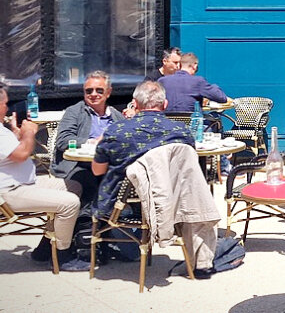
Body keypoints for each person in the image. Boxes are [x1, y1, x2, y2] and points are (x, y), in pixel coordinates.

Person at [91, 81, 218, 276]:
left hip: (124, 204)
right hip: (171, 203)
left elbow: (98, 171)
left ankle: (111, 249)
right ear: (165, 104)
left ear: (134, 103)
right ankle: (200, 261)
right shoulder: (182, 132)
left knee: (95, 190)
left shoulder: (117, 131)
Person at [0, 80, 87, 271]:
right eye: (5, 104)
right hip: (3, 195)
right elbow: (21, 154)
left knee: (74, 186)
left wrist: (17, 137)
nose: (6, 108)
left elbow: (4, 153)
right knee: (70, 203)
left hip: (13, 185)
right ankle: (62, 256)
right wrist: (29, 133)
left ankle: (44, 249)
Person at [53, 71, 123, 209]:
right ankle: (85, 227)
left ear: (108, 92)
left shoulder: (117, 116)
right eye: (89, 91)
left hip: (108, 165)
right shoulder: (74, 111)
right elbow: (63, 140)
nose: (93, 94)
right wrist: (91, 142)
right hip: (78, 165)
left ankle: (113, 222)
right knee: (87, 180)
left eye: (99, 90)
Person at [158, 52, 229, 113]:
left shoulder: (162, 81)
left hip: (168, 125)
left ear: (179, 65)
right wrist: (214, 86)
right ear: (194, 66)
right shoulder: (198, 81)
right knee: (216, 117)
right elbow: (222, 98)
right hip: (191, 125)